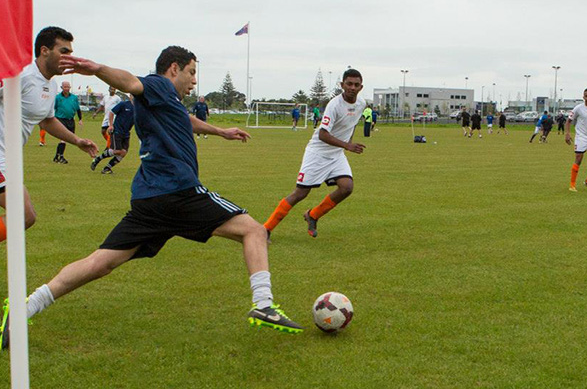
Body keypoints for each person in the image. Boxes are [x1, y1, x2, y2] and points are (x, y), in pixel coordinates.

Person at [2, 45, 301, 351]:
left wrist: (221, 131)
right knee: (254, 230)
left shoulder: (166, 100)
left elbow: (185, 120)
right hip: (178, 190)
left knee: (101, 262)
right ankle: (264, 303)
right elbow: (131, 82)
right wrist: (96, 69)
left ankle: (26, 305)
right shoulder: (157, 84)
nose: (194, 81)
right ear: (174, 68)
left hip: (150, 198)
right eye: (192, 72)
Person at [0, 27, 98, 244]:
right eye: (64, 52)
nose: (69, 58)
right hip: (1, 160)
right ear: (44, 50)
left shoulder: (50, 85)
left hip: (10, 161)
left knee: (24, 217)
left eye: (71, 53)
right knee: (23, 215)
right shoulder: (20, 74)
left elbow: (46, 120)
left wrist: (77, 140)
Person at [264, 69, 366, 239]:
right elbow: (323, 134)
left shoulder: (361, 104)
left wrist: (346, 145)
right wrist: (347, 145)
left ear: (361, 87)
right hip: (318, 153)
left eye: (356, 85)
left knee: (347, 187)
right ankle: (265, 229)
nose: (352, 87)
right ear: (342, 85)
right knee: (300, 193)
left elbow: (352, 123)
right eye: (349, 84)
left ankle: (313, 215)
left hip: (337, 153)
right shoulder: (334, 105)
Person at [91, 95, 134, 174]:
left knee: (123, 152)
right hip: (117, 130)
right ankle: (98, 159)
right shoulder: (123, 104)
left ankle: (107, 168)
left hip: (126, 132)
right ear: (130, 96)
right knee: (117, 151)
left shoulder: (139, 108)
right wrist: (111, 125)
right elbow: (111, 112)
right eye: (133, 95)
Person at [52, 80, 84, 163]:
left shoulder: (74, 98)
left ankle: (56, 156)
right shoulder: (57, 98)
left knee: (67, 138)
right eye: (65, 87)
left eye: (68, 87)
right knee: (63, 138)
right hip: (60, 119)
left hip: (70, 120)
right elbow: (53, 108)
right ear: (62, 87)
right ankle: (61, 157)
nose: (66, 88)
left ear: (70, 87)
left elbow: (78, 109)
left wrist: (80, 119)